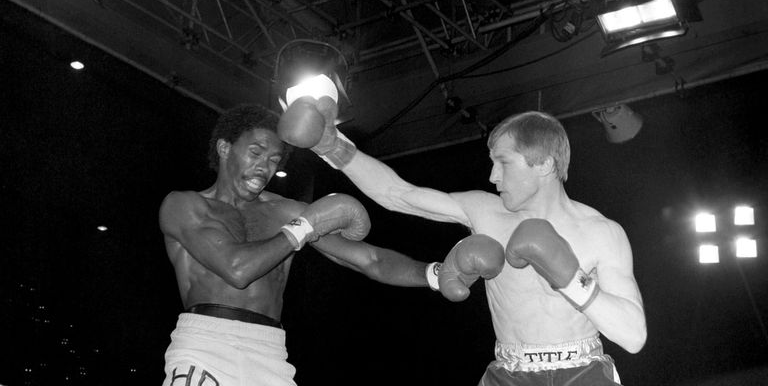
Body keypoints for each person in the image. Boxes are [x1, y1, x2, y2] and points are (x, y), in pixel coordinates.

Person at [279, 90, 647, 385]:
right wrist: (332, 145)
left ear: (545, 164)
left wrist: (571, 280)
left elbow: (633, 336)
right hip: (508, 373)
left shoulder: (601, 232)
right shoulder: (484, 211)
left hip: (582, 373)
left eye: (503, 162)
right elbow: (397, 194)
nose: (492, 176)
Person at [158, 104, 432, 386]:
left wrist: (435, 273)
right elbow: (236, 269)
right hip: (205, 345)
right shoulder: (183, 205)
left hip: (269, 350)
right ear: (225, 148)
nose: (264, 168)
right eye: (255, 153)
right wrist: (304, 227)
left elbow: (370, 259)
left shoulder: (286, 212)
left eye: (274, 160)